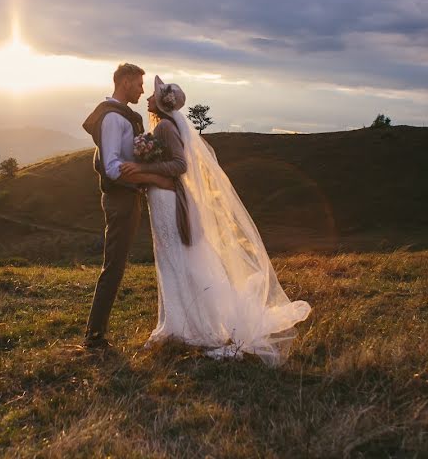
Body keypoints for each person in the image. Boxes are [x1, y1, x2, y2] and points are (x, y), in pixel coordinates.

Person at [120, 76, 312, 366]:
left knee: (178, 260)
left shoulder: (166, 128)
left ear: (160, 103)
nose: (147, 97)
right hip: (160, 200)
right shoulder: (162, 126)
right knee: (171, 262)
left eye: (154, 95)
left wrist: (143, 168)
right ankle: (176, 324)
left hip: (168, 202)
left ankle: (195, 328)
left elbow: (180, 165)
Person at [81, 63, 175, 349]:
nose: (142, 90)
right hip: (120, 199)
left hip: (128, 195)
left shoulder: (122, 117)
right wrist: (151, 178)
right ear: (124, 82)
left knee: (117, 263)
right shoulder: (113, 119)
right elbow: (110, 167)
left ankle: (95, 332)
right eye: (138, 84)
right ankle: (94, 336)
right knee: (115, 265)